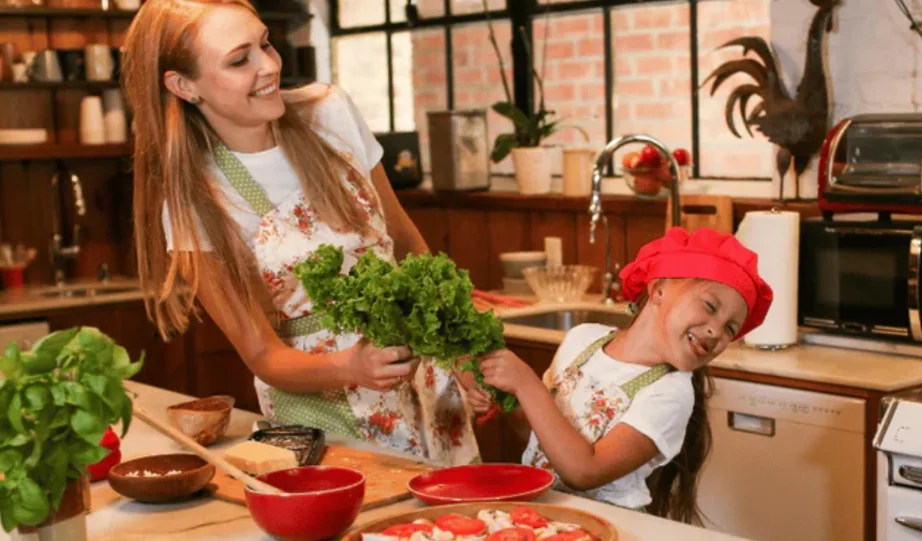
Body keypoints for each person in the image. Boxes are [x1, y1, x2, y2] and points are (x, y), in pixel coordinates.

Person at [121, 0, 480, 465]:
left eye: (265, 43)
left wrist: (462, 354)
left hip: (424, 384)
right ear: (183, 85)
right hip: (323, 415)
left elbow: (405, 241)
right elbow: (262, 354)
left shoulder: (330, 112)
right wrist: (351, 367)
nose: (269, 66)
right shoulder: (196, 197)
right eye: (239, 59)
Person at [468, 227, 773, 523]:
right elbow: (539, 435)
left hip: (609, 528)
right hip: (546, 515)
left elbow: (585, 472)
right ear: (658, 290)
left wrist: (526, 384)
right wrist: (506, 398)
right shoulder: (581, 339)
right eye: (710, 306)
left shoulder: (670, 393)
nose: (715, 330)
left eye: (730, 329)